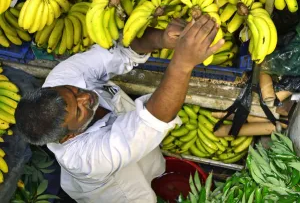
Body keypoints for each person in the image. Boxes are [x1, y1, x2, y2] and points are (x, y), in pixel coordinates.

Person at [15, 14, 224, 203]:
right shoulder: (88, 158)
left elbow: (120, 52)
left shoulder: (60, 79)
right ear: (68, 137)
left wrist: (160, 39)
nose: (85, 97)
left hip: (137, 153)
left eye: (73, 90)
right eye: (79, 111)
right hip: (118, 189)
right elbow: (152, 120)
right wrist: (182, 64)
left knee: (151, 167)